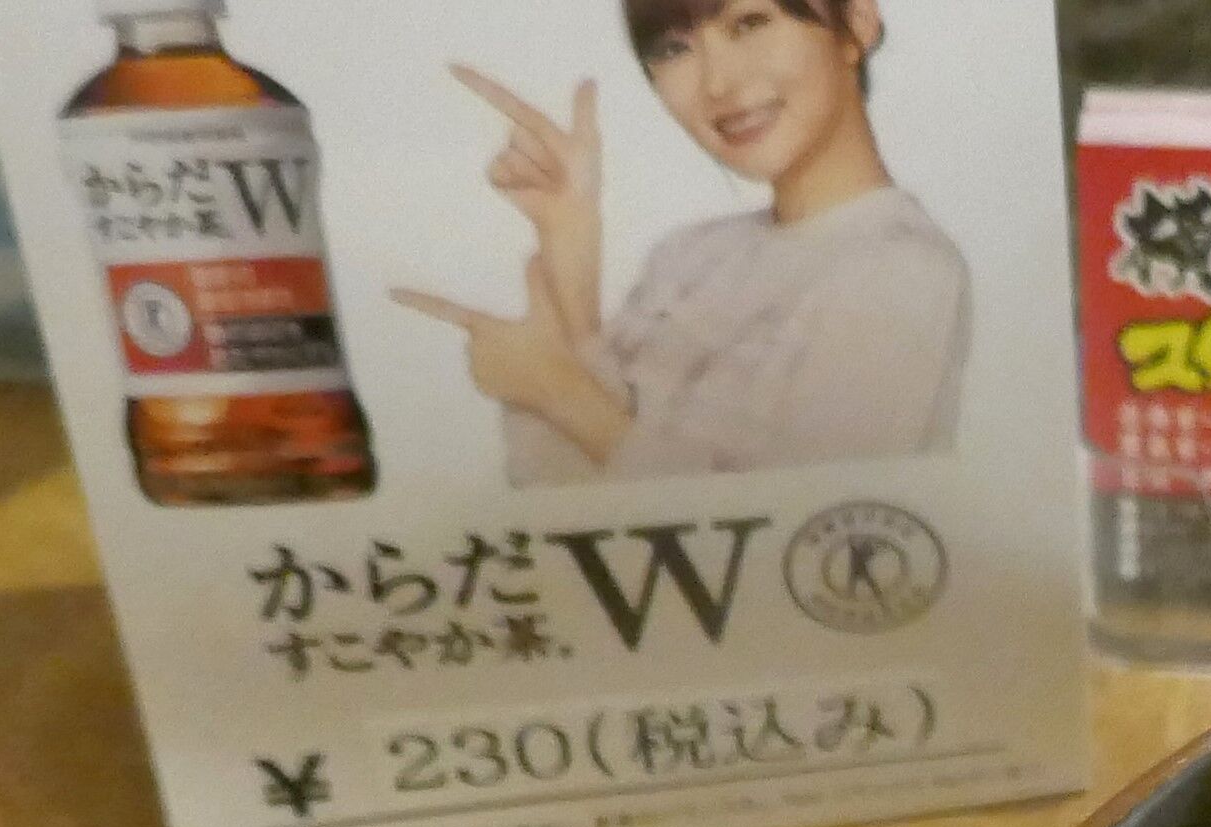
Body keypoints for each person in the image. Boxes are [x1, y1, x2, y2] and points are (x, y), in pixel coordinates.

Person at [400, 0, 970, 483]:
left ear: (857, 22)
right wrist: (570, 235)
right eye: (674, 48)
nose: (718, 84)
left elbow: (784, 544)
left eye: (749, 23)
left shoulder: (900, 269)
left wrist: (558, 394)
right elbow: (561, 494)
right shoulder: (688, 257)